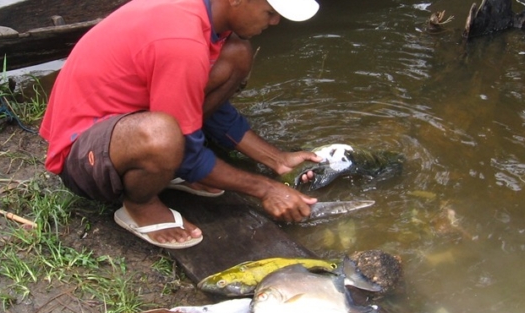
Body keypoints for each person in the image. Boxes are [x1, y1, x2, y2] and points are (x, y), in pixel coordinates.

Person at [40, 0, 322, 249]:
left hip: (126, 125)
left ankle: (162, 167)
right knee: (163, 136)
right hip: (81, 155)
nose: (275, 22)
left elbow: (204, 103)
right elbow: (186, 149)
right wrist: (266, 189)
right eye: (270, 12)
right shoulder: (182, 41)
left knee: (237, 54)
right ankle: (140, 205)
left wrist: (277, 160)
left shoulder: (205, 16)